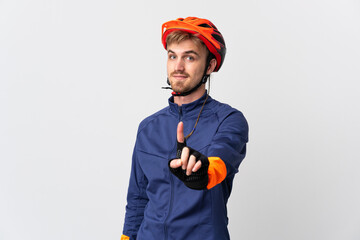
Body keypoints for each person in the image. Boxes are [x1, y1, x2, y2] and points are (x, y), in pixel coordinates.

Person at [121, 17, 248, 240]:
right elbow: (137, 200)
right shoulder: (148, 128)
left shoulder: (229, 120)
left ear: (209, 65)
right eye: (172, 56)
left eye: (189, 57)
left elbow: (219, 163)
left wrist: (201, 170)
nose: (178, 66)